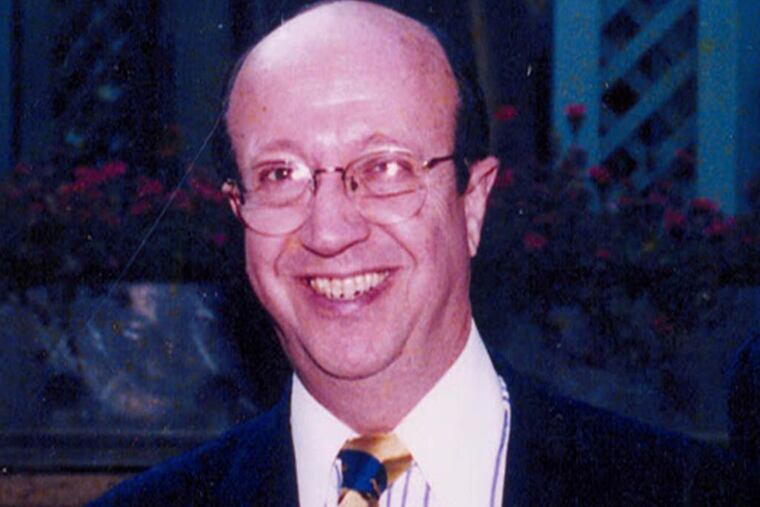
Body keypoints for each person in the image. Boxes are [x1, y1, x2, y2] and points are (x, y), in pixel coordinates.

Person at [89, 1, 751, 505]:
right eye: (281, 174)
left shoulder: (691, 493)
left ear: (473, 203)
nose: (328, 230)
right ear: (239, 211)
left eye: (385, 167)